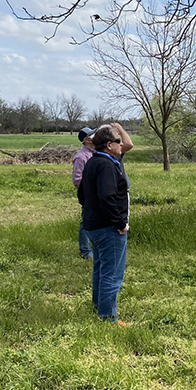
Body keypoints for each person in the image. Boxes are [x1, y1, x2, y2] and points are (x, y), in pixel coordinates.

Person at [79, 123, 133, 324]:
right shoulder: (107, 165)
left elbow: (81, 194)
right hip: (108, 228)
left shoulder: (92, 162)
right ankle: (108, 317)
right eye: (118, 141)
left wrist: (90, 212)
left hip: (92, 225)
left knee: (100, 268)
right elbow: (107, 198)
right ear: (109, 145)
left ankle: (98, 307)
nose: (122, 145)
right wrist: (120, 222)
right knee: (112, 273)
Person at [72, 126, 96, 258]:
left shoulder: (95, 153)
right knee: (85, 222)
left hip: (96, 194)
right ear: (86, 140)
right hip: (88, 195)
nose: (95, 135)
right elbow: (77, 180)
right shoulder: (81, 157)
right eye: (92, 134)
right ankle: (85, 251)